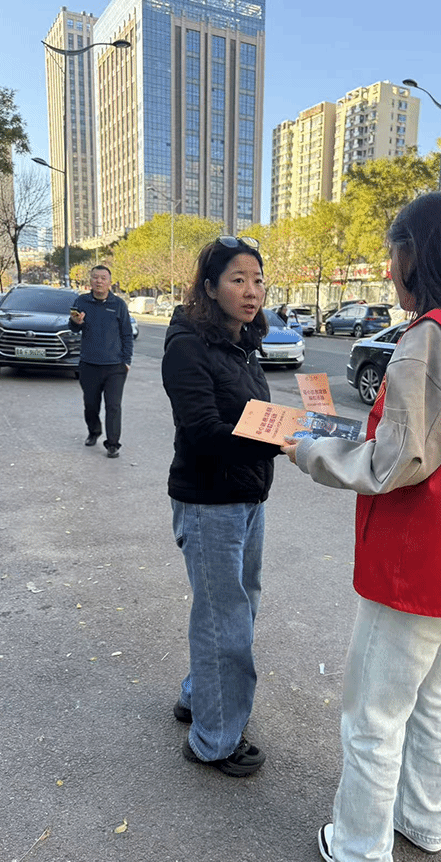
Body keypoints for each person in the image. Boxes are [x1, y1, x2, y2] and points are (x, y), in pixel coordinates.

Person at [281, 192, 441, 862]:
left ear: (417, 253)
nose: (390, 268)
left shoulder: (429, 338)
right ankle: (422, 819)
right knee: (435, 704)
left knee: (373, 718)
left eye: (394, 252)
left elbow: (396, 461)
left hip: (417, 566)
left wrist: (309, 449)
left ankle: (360, 854)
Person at [161, 236, 279, 778]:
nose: (251, 291)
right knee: (223, 619)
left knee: (235, 608)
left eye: (257, 280)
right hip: (209, 503)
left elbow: (253, 417)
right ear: (209, 287)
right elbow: (205, 432)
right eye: (238, 279)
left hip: (248, 498)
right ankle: (214, 739)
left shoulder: (242, 344)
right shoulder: (187, 347)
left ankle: (198, 695)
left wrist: (295, 427)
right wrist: (282, 440)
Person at [69, 265, 133, 459]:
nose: (99, 281)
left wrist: (126, 361)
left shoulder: (118, 304)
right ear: (90, 281)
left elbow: (127, 334)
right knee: (91, 404)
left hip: (115, 366)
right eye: (95, 277)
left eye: (103, 278)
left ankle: (113, 444)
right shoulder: (81, 301)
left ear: (109, 282)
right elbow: (73, 328)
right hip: (89, 364)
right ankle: (94, 431)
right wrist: (76, 322)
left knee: (113, 406)